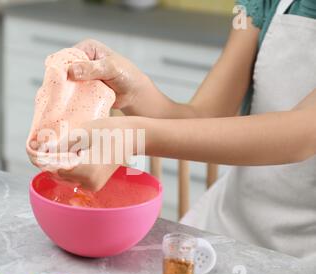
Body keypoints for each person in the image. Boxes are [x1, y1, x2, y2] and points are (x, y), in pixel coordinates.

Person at [50, 0, 316, 260]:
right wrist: (133, 89)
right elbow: (201, 117)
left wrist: (135, 134)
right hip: (228, 224)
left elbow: (300, 136)